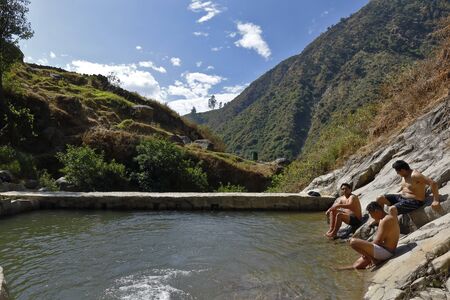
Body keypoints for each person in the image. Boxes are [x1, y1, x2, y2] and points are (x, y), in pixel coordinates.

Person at [375, 160, 441, 218]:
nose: (397, 173)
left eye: (398, 172)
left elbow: (433, 183)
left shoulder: (415, 175)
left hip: (414, 201)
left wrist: (436, 200)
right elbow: (406, 186)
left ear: (403, 170)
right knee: (379, 198)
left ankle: (393, 228)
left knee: (392, 209)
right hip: (401, 198)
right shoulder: (404, 175)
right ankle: (382, 218)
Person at [349, 201, 400, 269]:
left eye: (371, 214)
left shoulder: (385, 220)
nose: (371, 217)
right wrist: (365, 250)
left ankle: (374, 260)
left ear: (376, 211)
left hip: (386, 252)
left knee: (353, 242)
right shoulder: (387, 217)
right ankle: (339, 269)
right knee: (357, 265)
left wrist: (364, 248)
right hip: (386, 250)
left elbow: (378, 241)